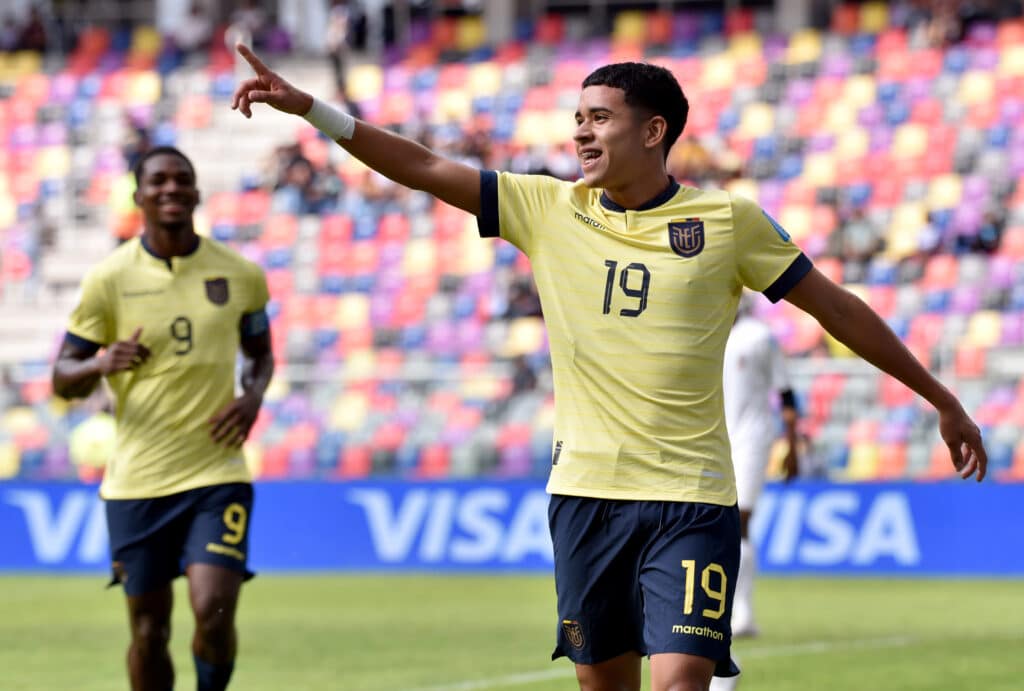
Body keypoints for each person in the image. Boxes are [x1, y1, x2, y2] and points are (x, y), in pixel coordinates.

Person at [230, 45, 987, 691]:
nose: (581, 133)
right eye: (578, 119)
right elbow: (423, 165)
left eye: (599, 118)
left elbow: (838, 308)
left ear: (654, 130)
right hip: (586, 495)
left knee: (685, 678)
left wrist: (940, 397)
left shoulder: (728, 222)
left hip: (692, 497)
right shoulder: (546, 207)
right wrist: (311, 110)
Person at [51, 146, 274, 691]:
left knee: (214, 612)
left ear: (197, 192)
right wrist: (102, 362)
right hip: (137, 483)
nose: (171, 188)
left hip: (217, 475)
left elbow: (262, 353)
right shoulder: (110, 280)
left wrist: (253, 396)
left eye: (183, 180)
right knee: (149, 632)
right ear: (139, 195)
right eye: (158, 181)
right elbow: (62, 375)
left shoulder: (239, 273)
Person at [722, 294, 800, 639]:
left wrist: (792, 446)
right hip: (712, 438)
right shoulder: (706, 330)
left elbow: (786, 394)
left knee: (739, 518)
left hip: (750, 439)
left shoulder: (758, 335)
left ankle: (743, 612)